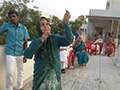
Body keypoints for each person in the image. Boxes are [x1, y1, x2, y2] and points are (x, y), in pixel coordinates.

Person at [23, 10, 74, 90]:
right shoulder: (36, 40)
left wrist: (66, 23)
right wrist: (41, 39)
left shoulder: (55, 38)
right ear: (39, 28)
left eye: (47, 24)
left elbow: (69, 40)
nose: (46, 26)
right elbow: (27, 54)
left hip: (55, 73)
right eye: (42, 25)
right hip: (40, 75)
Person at [0, 11, 30, 90]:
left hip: (20, 53)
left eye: (13, 16)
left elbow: (25, 42)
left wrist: (25, 54)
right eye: (10, 17)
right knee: (9, 72)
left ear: (18, 17)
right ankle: (9, 88)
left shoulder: (23, 28)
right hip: (10, 53)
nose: (12, 18)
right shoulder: (6, 26)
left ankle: (19, 87)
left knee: (21, 71)